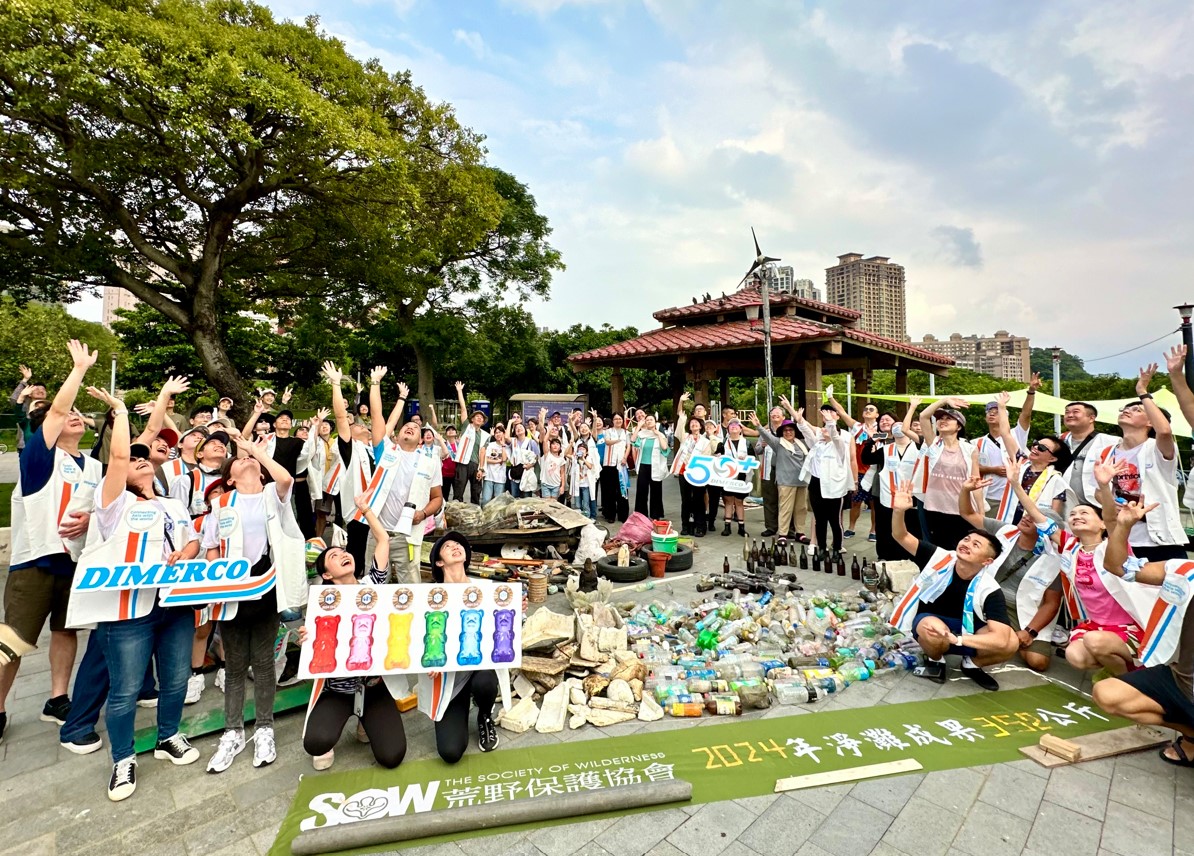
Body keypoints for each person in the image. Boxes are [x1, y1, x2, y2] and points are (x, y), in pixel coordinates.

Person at [65, 386, 202, 800]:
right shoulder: (113, 504)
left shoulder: (173, 504)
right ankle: (123, 758)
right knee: (124, 690)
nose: (140, 463)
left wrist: (186, 552)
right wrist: (121, 412)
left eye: (147, 461)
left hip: (174, 603)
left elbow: (191, 538)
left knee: (175, 679)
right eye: (133, 461)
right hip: (127, 610)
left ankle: (168, 737)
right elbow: (122, 456)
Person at [1, 340, 100, 744]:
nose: (73, 417)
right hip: (35, 562)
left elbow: (105, 510)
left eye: (79, 414)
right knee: (13, 641)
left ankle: (57, 698)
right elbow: (57, 410)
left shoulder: (92, 465)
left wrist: (90, 519)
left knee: (65, 631)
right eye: (67, 415)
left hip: (73, 563)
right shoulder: (39, 459)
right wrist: (78, 370)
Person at [203, 436, 307, 773]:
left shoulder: (269, 496)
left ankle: (265, 727)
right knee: (234, 665)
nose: (246, 459)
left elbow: (287, 479)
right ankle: (232, 731)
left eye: (253, 460)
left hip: (264, 582)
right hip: (230, 586)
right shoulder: (221, 505)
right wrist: (217, 580)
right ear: (230, 477)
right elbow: (211, 548)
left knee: (262, 662)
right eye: (239, 459)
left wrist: (256, 450)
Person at [301, 495, 408, 771]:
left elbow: (383, 541)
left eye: (344, 551)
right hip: (336, 689)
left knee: (392, 756)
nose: (343, 555)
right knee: (315, 742)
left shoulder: (371, 586)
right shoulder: (322, 606)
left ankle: (365, 721)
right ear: (326, 575)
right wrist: (306, 639)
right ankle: (337, 723)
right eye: (334, 557)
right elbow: (317, 648)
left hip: (373, 686)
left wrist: (366, 510)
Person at [1092, 499, 1194, 766]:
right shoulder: (1184, 571)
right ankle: (1191, 734)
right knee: (1107, 694)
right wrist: (1123, 526)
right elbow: (1118, 567)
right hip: (1180, 680)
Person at [890, 481, 1019, 690]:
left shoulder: (989, 588)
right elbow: (901, 536)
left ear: (987, 561)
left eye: (975, 545)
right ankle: (936, 660)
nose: (966, 544)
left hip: (965, 632)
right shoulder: (939, 558)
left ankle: (972, 664)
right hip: (934, 622)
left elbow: (1001, 637)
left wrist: (957, 639)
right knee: (930, 629)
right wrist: (898, 512)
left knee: (1010, 641)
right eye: (966, 539)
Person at [956, 464, 1063, 673]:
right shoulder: (1005, 530)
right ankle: (1001, 639)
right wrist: (966, 490)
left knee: (1038, 662)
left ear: (1045, 528)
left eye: (1035, 518)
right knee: (980, 641)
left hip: (1023, 612)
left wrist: (1030, 631)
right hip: (989, 600)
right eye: (1027, 512)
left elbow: (1051, 603)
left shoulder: (1054, 558)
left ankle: (1008, 637)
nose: (1026, 516)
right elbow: (966, 513)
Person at [417, 532, 502, 760]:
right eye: (448, 546)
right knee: (450, 752)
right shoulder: (427, 597)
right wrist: (424, 659)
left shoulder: (486, 589)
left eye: (459, 544)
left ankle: (485, 714)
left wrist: (515, 609)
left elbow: (503, 632)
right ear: (438, 561)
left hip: (477, 668)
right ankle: (460, 704)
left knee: (485, 680)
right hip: (447, 678)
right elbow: (416, 638)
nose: (455, 546)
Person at [1092, 362, 1187, 562]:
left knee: (1170, 590)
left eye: (1137, 410)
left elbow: (1165, 431)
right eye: (1126, 409)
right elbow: (1099, 493)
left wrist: (1142, 392)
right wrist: (1113, 504)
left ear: (1150, 421)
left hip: (1159, 538)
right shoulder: (1108, 452)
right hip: (1122, 536)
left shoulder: (1155, 448)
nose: (1127, 411)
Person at [357, 370, 444, 583]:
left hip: (408, 537)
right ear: (397, 434)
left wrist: (423, 514)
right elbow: (377, 417)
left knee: (410, 590)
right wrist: (375, 383)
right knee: (373, 589)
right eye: (407, 425)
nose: (410, 427)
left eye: (416, 427)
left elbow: (437, 499)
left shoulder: (430, 462)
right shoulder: (386, 451)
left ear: (421, 440)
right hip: (379, 534)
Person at [322, 361, 375, 574]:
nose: (360, 426)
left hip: (377, 508)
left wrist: (377, 384)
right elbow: (341, 417)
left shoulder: (377, 449)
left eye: (363, 425)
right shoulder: (351, 449)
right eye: (357, 426)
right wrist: (336, 384)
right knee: (357, 553)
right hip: (358, 511)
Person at [988, 392, 1071, 521]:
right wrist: (1002, 407)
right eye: (1036, 444)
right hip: (1008, 520)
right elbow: (1005, 433)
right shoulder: (1020, 462)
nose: (1035, 448)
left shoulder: (1056, 480)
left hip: (1033, 528)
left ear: (1052, 458)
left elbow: (1055, 516)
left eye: (1042, 448)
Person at [914, 396, 977, 549]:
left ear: (959, 427)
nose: (943, 420)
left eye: (949, 418)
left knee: (959, 547)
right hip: (935, 507)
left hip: (961, 507)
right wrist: (944, 400)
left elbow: (976, 482)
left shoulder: (970, 449)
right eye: (941, 418)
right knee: (938, 549)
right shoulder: (934, 444)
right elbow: (923, 416)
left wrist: (980, 514)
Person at [860, 406, 922, 562]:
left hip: (911, 497)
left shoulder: (919, 447)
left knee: (910, 528)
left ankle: (909, 558)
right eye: (884, 422)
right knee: (885, 528)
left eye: (897, 425)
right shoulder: (885, 447)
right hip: (886, 496)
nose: (895, 428)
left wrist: (912, 407)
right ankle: (885, 556)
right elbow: (867, 458)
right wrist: (871, 440)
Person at [973, 374, 1040, 517]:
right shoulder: (977, 442)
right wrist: (991, 469)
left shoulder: (1016, 435)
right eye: (989, 412)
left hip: (1015, 496)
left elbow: (1026, 414)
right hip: (989, 497)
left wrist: (1031, 392)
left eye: (996, 412)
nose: (992, 414)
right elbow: (970, 468)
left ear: (1005, 417)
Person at [750, 406, 815, 543]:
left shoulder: (802, 443)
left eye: (791, 430)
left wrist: (800, 420)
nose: (788, 432)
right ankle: (783, 534)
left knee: (800, 509)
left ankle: (800, 533)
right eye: (785, 431)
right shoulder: (778, 443)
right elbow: (766, 437)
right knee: (785, 508)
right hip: (785, 481)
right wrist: (758, 426)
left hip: (802, 481)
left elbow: (811, 436)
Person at [799, 403, 855, 556]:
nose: (823, 430)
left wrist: (831, 422)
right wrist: (798, 418)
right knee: (819, 519)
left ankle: (837, 547)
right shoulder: (817, 445)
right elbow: (807, 433)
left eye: (827, 429)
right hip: (816, 484)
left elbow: (836, 437)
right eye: (823, 428)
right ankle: (822, 548)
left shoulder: (839, 447)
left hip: (833, 487)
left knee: (834, 520)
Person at [825, 398, 879, 541]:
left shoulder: (881, 429)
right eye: (865, 409)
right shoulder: (857, 427)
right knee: (856, 501)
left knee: (874, 503)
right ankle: (851, 527)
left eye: (871, 410)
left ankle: (874, 529)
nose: (867, 411)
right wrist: (831, 398)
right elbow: (842, 412)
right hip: (859, 470)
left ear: (877, 415)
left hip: (873, 470)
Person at [672, 416, 712, 536]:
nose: (694, 424)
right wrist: (681, 405)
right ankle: (686, 525)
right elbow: (679, 427)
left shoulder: (705, 441)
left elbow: (706, 457)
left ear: (701, 426)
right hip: (683, 472)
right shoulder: (685, 437)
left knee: (699, 500)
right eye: (692, 423)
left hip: (698, 474)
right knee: (686, 500)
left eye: (696, 423)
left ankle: (700, 526)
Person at [453, 382, 490, 505]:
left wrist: (481, 469)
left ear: (483, 421)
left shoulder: (485, 435)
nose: (479, 418)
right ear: (472, 419)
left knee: (476, 492)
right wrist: (459, 391)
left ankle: (475, 514)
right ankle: (456, 512)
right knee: (459, 489)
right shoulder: (466, 427)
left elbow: (482, 452)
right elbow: (463, 409)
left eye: (482, 418)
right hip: (463, 462)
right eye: (477, 416)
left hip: (475, 464)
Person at [718, 418, 753, 537]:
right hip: (727, 476)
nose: (733, 426)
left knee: (739, 501)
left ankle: (741, 527)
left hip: (742, 476)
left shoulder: (747, 443)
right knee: (728, 500)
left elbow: (753, 459)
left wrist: (746, 459)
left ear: (741, 429)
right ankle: (727, 526)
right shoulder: (723, 442)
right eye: (731, 425)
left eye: (736, 425)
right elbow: (717, 458)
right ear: (727, 429)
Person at [755, 405, 786, 537]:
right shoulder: (765, 431)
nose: (774, 417)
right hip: (767, 470)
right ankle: (771, 527)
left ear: (783, 417)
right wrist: (761, 446)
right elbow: (756, 450)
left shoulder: (788, 430)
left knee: (786, 501)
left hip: (785, 471)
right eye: (772, 415)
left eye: (777, 415)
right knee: (769, 500)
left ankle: (788, 529)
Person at [631, 413, 668, 519]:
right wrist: (638, 427)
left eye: (651, 420)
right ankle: (641, 515)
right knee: (641, 491)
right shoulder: (642, 435)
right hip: (643, 465)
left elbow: (664, 447)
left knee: (656, 491)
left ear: (655, 422)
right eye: (647, 420)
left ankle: (655, 515)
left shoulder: (660, 434)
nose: (649, 421)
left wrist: (657, 433)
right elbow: (633, 441)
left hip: (656, 466)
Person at [598, 412, 630, 523]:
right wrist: (618, 440)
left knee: (622, 490)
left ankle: (623, 515)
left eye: (620, 419)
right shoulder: (608, 431)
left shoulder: (626, 433)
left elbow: (628, 446)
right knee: (609, 491)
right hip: (609, 464)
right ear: (613, 420)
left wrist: (625, 458)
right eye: (616, 419)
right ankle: (610, 514)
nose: (618, 421)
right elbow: (607, 442)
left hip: (621, 465)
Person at [567, 423, 599, 520]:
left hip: (592, 471)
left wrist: (594, 418)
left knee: (591, 496)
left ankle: (592, 516)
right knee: (579, 498)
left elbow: (594, 431)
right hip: (578, 475)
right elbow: (567, 454)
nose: (584, 429)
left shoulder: (592, 439)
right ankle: (580, 517)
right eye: (581, 428)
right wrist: (571, 421)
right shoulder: (578, 440)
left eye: (586, 427)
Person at [507, 422, 540, 499]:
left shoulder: (531, 442)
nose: (519, 428)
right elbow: (506, 437)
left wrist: (530, 465)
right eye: (516, 428)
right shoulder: (513, 441)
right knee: (514, 497)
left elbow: (536, 457)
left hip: (527, 471)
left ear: (525, 430)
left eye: (521, 427)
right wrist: (510, 422)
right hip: (515, 471)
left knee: (527, 497)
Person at [703, 419, 724, 534]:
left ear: (716, 428)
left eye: (711, 426)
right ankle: (702, 519)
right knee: (701, 495)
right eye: (706, 425)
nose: (708, 427)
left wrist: (711, 436)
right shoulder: (700, 439)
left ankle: (711, 521)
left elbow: (715, 450)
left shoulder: (719, 440)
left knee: (714, 497)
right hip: (702, 472)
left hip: (715, 472)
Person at [480, 424, 508, 506]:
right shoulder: (490, 445)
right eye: (496, 433)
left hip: (500, 478)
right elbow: (485, 459)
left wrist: (503, 446)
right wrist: (497, 461)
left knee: (497, 502)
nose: (498, 434)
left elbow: (504, 459)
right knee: (486, 499)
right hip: (489, 476)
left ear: (503, 433)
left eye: (500, 432)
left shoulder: (507, 446)